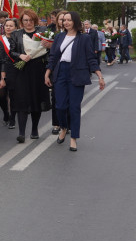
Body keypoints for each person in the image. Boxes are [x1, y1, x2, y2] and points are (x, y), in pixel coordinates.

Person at [45, 11, 105, 152]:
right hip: (60, 73)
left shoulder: (84, 38)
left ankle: (73, 138)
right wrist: (47, 73)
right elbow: (53, 57)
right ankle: (64, 127)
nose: (65, 22)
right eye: (64, 20)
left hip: (77, 74)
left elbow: (91, 59)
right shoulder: (59, 37)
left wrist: (100, 76)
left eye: (69, 20)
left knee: (74, 107)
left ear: (75, 22)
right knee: (59, 106)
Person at [7, 9, 50, 143]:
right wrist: (20, 55)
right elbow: (11, 51)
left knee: (35, 100)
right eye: (25, 20)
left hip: (38, 70)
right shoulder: (16, 34)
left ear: (35, 21)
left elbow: (48, 49)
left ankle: (34, 129)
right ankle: (21, 132)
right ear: (21, 21)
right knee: (22, 100)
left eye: (31, 20)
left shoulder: (42, 33)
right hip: (22, 70)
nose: (28, 23)